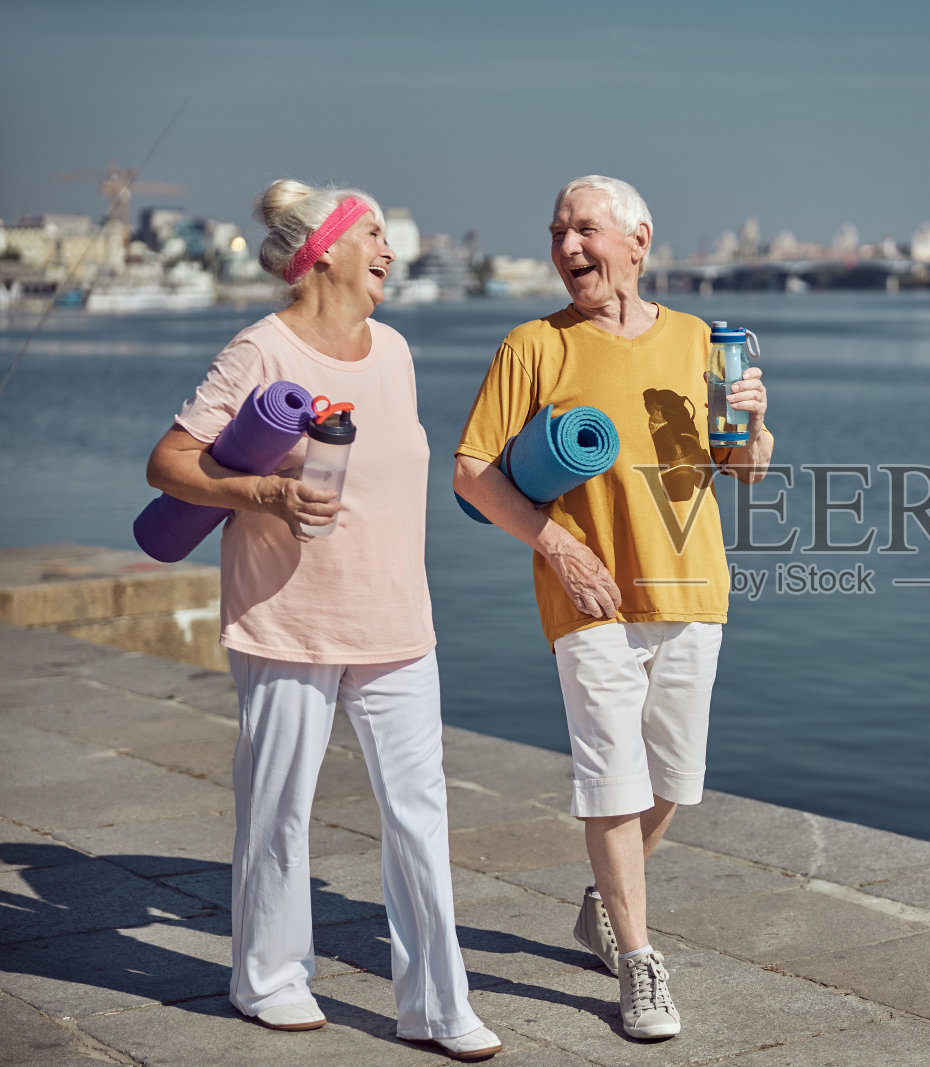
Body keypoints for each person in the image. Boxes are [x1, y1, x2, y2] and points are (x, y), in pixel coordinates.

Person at [144, 179, 501, 1062]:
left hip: (397, 616)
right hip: (288, 616)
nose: (390, 250)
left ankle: (438, 1003)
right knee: (279, 807)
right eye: (373, 234)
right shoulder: (259, 349)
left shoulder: (396, 350)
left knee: (419, 813)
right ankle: (268, 979)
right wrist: (263, 491)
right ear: (326, 249)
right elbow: (169, 462)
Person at [453, 175, 771, 1040]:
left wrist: (753, 425)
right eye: (558, 232)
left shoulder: (701, 341)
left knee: (673, 781)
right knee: (611, 776)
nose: (567, 247)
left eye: (584, 229)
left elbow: (742, 470)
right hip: (587, 596)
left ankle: (602, 903)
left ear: (638, 240)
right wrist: (557, 546)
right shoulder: (534, 345)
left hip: (694, 588)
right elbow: (472, 472)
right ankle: (638, 959)